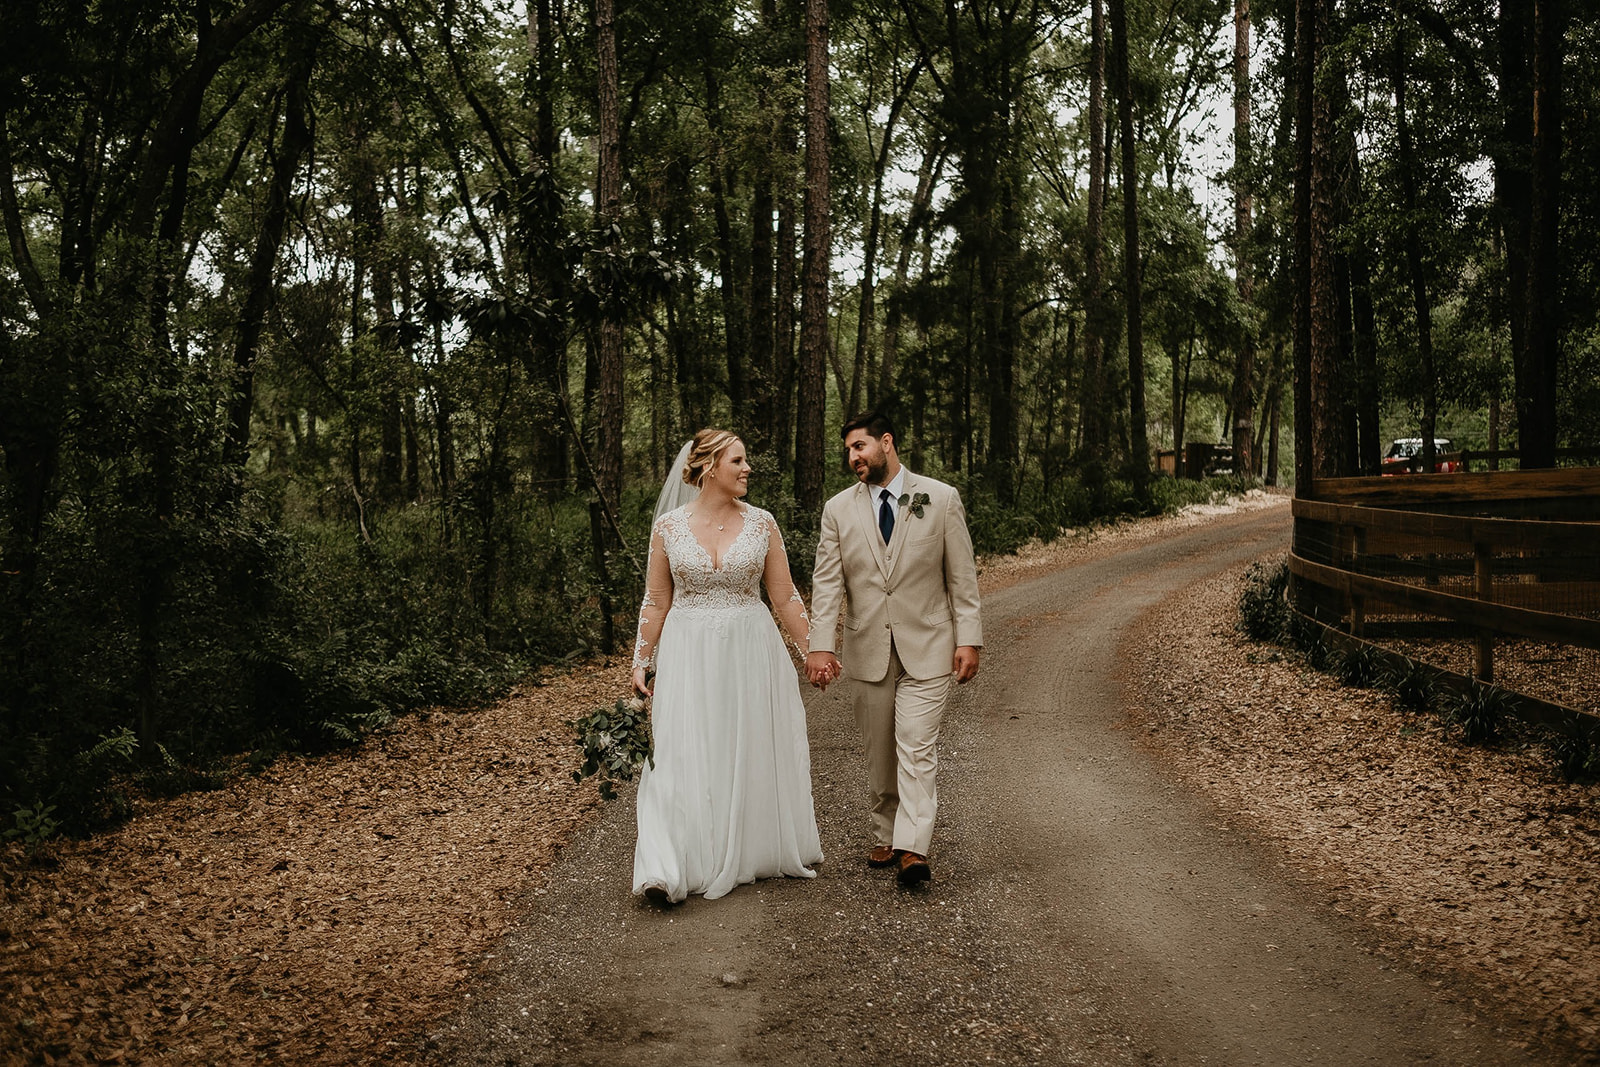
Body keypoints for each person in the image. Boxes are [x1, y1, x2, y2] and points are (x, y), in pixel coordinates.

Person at [629, 429, 823, 905]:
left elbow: (784, 595)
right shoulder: (669, 528)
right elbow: (656, 600)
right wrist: (641, 661)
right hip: (688, 649)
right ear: (710, 467)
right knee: (681, 751)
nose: (747, 468)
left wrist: (814, 652)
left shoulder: (762, 524)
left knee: (745, 742)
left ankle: (750, 846)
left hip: (750, 648)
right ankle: (667, 865)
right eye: (738, 460)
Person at [805, 411, 982, 887]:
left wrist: (969, 637)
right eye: (847, 450)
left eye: (859, 447)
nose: (852, 457)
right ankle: (886, 831)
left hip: (929, 644)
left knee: (917, 747)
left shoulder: (940, 499)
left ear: (886, 442)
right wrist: (820, 646)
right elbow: (827, 584)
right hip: (868, 647)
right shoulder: (837, 510)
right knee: (880, 752)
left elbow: (961, 577)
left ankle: (912, 847)